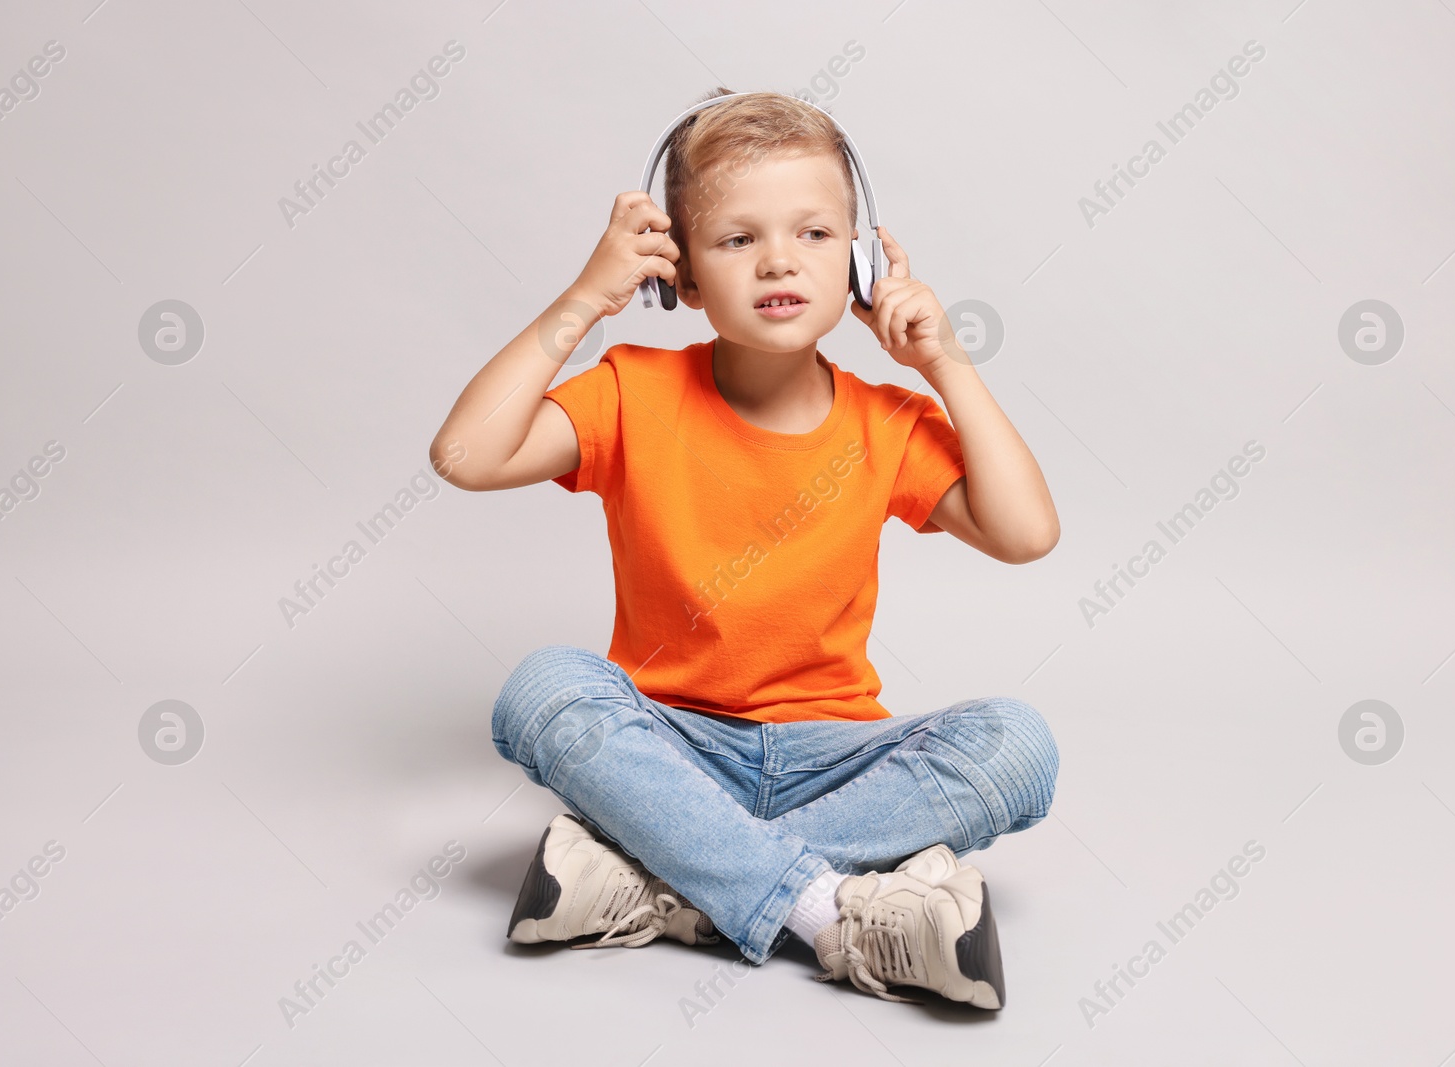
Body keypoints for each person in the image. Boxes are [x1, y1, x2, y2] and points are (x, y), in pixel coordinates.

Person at [428, 88, 1061, 1010]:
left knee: (1019, 745)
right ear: (681, 276)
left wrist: (947, 365)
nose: (778, 260)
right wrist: (581, 301)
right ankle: (826, 907)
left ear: (854, 259)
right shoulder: (632, 392)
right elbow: (465, 453)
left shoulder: (887, 420)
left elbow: (1027, 532)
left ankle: (667, 880)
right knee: (543, 688)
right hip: (673, 742)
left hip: (836, 753)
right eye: (736, 239)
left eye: (813, 234)